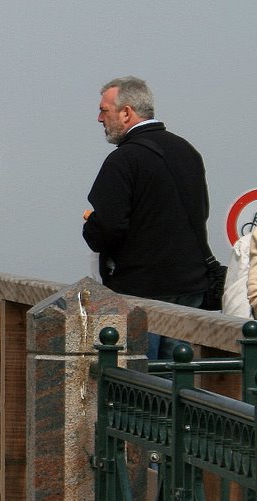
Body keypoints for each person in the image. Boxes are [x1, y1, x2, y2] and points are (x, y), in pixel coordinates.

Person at [82, 76, 212, 359]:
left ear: (126, 112)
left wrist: (91, 223)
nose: (99, 118)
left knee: (141, 385)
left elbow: (109, 226)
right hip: (190, 287)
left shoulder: (124, 159)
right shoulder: (187, 151)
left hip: (142, 291)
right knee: (179, 381)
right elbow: (199, 211)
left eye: (104, 110)